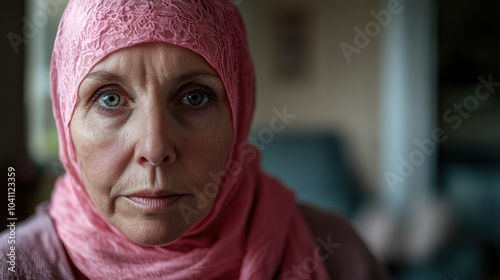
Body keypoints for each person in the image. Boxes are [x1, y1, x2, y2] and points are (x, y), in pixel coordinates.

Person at [0, 0, 386, 279]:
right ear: (66, 119)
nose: (154, 148)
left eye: (194, 97)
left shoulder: (337, 253)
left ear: (240, 109)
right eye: (110, 99)